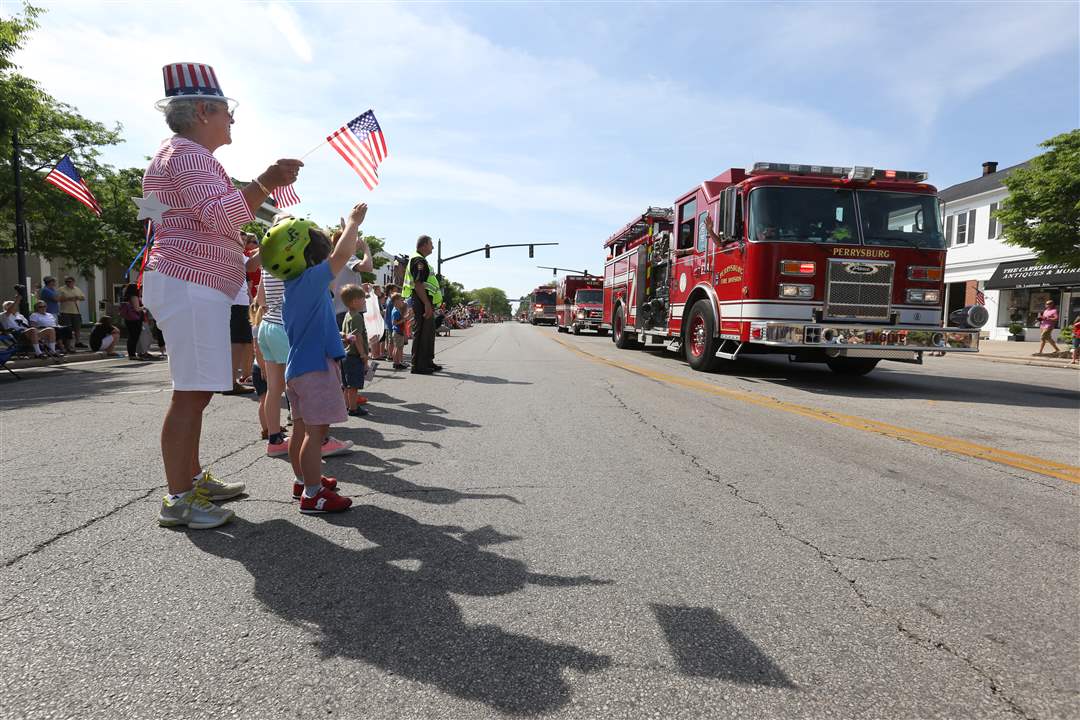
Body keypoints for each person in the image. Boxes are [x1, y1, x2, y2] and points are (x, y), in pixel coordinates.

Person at [141, 61, 303, 530]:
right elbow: (222, 215)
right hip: (190, 283)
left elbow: (208, 220)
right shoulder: (188, 155)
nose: (232, 120)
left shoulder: (184, 154)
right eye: (227, 112)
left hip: (194, 282)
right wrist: (265, 182)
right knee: (190, 393)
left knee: (198, 391)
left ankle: (189, 481)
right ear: (204, 111)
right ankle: (177, 499)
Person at [260, 204, 369, 513]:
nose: (328, 259)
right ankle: (312, 493)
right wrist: (353, 223)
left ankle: (303, 479)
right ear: (311, 259)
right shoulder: (309, 281)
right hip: (315, 370)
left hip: (299, 368)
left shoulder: (295, 286)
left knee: (300, 431)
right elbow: (340, 256)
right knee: (315, 434)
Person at [403, 235, 443, 375]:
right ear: (424, 244)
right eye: (431, 244)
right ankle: (418, 365)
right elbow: (418, 284)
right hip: (421, 300)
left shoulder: (422, 260)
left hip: (425, 300)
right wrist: (426, 303)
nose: (432, 247)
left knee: (429, 332)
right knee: (422, 332)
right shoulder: (418, 260)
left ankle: (427, 361)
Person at [340, 284, 374, 416]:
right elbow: (358, 337)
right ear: (354, 301)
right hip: (355, 355)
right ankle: (353, 408)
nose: (364, 301)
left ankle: (346, 406)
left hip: (345, 355)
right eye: (362, 299)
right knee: (353, 385)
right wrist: (363, 354)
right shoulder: (357, 317)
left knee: (346, 384)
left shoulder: (347, 315)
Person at [118, 283, 154, 361]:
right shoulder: (134, 297)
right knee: (134, 337)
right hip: (135, 320)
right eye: (138, 288)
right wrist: (145, 306)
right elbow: (137, 309)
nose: (140, 290)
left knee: (132, 337)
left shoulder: (127, 297)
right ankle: (132, 354)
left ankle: (132, 353)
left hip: (129, 319)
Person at [57, 276, 86, 348]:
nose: (68, 283)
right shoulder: (61, 289)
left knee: (77, 328)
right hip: (65, 311)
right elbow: (58, 299)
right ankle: (67, 343)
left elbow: (83, 297)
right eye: (66, 282)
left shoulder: (77, 289)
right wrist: (68, 298)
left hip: (76, 311)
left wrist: (78, 297)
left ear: (73, 282)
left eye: (69, 281)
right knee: (67, 328)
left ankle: (78, 342)